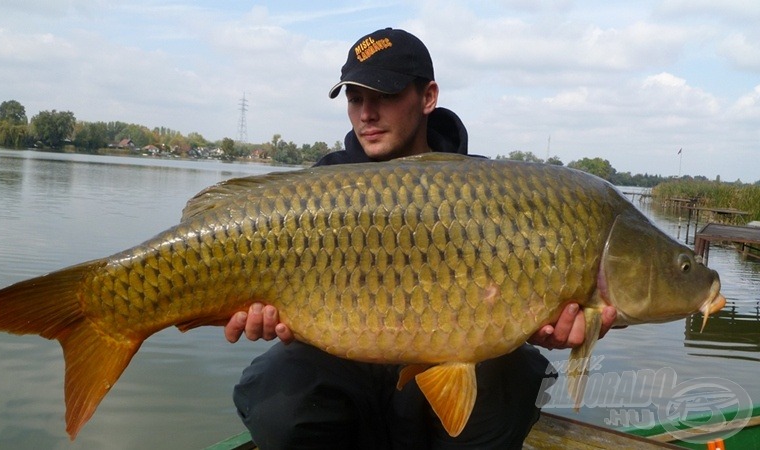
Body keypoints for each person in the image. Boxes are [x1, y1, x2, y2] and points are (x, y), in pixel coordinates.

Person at [227, 28, 618, 449]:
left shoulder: (490, 189)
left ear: (428, 97)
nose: (366, 114)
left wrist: (539, 321)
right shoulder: (321, 190)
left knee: (518, 375)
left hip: (449, 361)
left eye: (384, 95)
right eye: (355, 99)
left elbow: (527, 294)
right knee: (273, 393)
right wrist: (257, 314)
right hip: (343, 366)